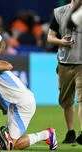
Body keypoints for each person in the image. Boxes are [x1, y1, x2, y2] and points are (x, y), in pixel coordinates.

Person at [47, 0, 82, 144]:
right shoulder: (59, 12)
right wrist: (62, 42)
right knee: (66, 101)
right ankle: (71, 132)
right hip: (64, 63)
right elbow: (50, 37)